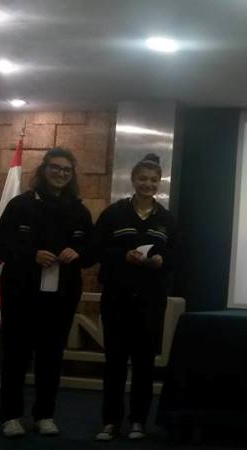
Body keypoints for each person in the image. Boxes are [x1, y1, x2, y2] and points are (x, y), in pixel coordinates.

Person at [0, 148, 93, 438]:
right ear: (44, 169)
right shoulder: (20, 205)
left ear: (72, 175)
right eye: (55, 168)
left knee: (51, 357)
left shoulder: (79, 211)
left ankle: (45, 415)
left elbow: (92, 249)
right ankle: (11, 416)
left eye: (66, 170)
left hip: (61, 298)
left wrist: (79, 252)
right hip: (21, 295)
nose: (61, 173)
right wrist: (30, 255)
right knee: (16, 356)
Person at [92, 154, 177, 441]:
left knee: (144, 364)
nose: (147, 184)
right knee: (114, 363)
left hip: (151, 302)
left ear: (159, 182)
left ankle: (138, 421)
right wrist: (121, 256)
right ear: (133, 180)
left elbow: (178, 255)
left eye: (153, 180)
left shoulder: (167, 219)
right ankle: (110, 422)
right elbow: (95, 249)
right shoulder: (114, 213)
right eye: (142, 179)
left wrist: (162, 261)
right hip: (116, 298)